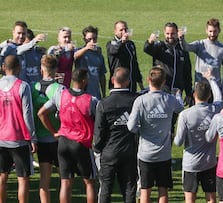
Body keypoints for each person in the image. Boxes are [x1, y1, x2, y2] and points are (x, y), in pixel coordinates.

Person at [38, 69, 98, 203]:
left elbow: (41, 113)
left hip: (63, 142)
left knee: (65, 182)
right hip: (81, 143)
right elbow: (100, 122)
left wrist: (54, 132)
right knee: (89, 183)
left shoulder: (61, 95)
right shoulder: (91, 100)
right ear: (84, 81)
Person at [127, 66, 184, 203]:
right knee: (163, 190)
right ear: (164, 82)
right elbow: (181, 108)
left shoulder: (141, 101)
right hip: (164, 153)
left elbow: (131, 127)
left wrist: (141, 128)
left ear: (148, 80)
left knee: (145, 189)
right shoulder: (170, 100)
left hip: (146, 153)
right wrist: (178, 96)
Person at [173, 70, 223, 203]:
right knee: (211, 198)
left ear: (194, 95)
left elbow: (178, 142)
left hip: (191, 164)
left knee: (190, 199)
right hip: (209, 162)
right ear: (209, 96)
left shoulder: (185, 114)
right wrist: (212, 79)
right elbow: (219, 97)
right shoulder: (215, 109)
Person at [93, 67, 138, 203]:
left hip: (109, 151)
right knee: (129, 188)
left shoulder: (104, 103)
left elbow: (99, 131)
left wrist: (97, 149)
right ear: (128, 82)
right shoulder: (135, 100)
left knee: (106, 188)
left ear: (113, 80)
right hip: (130, 151)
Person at [0, 55, 37, 203]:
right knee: (23, 179)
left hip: (1, 138)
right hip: (19, 139)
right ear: (19, 68)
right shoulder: (23, 86)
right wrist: (32, 138)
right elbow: (27, 115)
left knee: (2, 177)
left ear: (4, 67)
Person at [31, 54, 65, 203]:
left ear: (41, 69)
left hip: (40, 138)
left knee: (44, 179)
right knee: (64, 178)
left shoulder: (33, 87)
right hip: (58, 138)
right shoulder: (60, 89)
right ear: (56, 69)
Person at [144, 22, 192, 102]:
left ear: (177, 33)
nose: (170, 36)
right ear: (164, 33)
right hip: (161, 90)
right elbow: (147, 49)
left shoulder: (182, 49)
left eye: (172, 33)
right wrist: (150, 42)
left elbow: (187, 73)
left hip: (177, 91)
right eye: (167, 33)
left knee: (175, 113)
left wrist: (188, 93)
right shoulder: (159, 46)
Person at [179, 18, 223, 90]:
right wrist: (181, 39)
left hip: (214, 88)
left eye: (215, 31)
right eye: (210, 31)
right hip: (199, 87)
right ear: (206, 31)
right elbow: (186, 47)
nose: (212, 34)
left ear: (219, 31)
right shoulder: (200, 44)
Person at [106, 20, 144, 92]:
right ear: (115, 32)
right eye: (121, 30)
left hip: (131, 83)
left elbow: (134, 63)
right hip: (119, 84)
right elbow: (114, 51)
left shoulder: (130, 44)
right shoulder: (111, 43)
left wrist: (139, 81)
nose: (124, 32)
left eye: (125, 29)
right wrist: (122, 42)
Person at [74, 25, 107, 100]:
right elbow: (75, 56)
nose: (92, 41)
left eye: (94, 39)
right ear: (84, 39)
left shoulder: (99, 55)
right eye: (89, 39)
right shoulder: (80, 51)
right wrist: (86, 48)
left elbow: (102, 75)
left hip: (96, 93)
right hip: (82, 94)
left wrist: (104, 93)